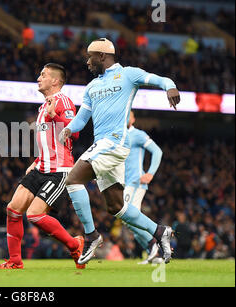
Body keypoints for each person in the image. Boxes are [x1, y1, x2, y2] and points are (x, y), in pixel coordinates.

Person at [59, 38, 181, 265]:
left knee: (73, 178)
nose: (87, 61)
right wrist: (67, 129)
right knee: (116, 207)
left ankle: (91, 236)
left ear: (103, 56)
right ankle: (159, 231)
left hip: (113, 143)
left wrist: (170, 86)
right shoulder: (92, 87)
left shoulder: (128, 74)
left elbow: (160, 79)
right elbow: (81, 119)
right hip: (104, 147)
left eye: (90, 56)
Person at [0, 63, 84, 270]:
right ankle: (15, 261)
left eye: (43, 75)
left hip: (59, 171)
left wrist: (55, 116)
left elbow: (75, 133)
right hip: (41, 167)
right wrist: (36, 160)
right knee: (13, 209)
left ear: (55, 81)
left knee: (34, 215)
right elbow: (49, 140)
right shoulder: (43, 106)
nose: (38, 77)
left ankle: (74, 244)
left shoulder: (64, 102)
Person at [124, 110, 163, 264]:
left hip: (135, 182)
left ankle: (154, 244)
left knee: (128, 217)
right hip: (124, 183)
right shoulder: (116, 136)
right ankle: (154, 254)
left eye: (129, 115)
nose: (125, 117)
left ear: (133, 119)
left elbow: (157, 151)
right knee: (132, 222)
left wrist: (150, 173)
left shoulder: (138, 134)